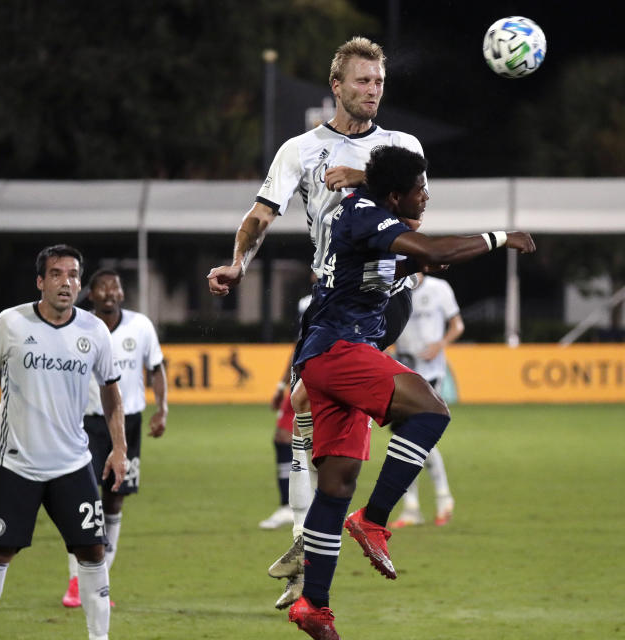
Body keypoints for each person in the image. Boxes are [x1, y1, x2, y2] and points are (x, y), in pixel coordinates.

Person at [206, 36, 425, 610]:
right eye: (361, 81)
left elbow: (416, 210)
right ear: (337, 86)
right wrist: (238, 264)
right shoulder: (299, 151)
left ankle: (314, 539)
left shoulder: (401, 144)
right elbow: (259, 217)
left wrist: (360, 178)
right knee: (317, 424)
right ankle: (318, 539)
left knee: (309, 400)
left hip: (383, 297)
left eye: (378, 82)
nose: (372, 91)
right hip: (332, 301)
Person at [285, 145, 535, 639]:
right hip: (341, 349)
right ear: (396, 195)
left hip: (328, 355)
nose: (427, 196)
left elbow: (365, 271)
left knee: (336, 485)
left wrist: (405, 268)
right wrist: (501, 236)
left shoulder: (364, 213)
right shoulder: (367, 214)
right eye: (420, 189)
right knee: (431, 410)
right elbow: (436, 250)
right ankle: (374, 520)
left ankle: (313, 604)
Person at [0, 245, 125, 640]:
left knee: (92, 553)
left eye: (73, 275)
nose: (66, 282)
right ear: (40, 282)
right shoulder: (10, 324)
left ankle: (99, 637)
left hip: (72, 463)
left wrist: (119, 448)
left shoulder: (94, 331)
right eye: (56, 274)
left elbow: (111, 392)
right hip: (16, 463)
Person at [61, 269, 168, 608]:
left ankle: (100, 581)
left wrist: (162, 408)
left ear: (122, 293)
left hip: (129, 424)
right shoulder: (77, 327)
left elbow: (157, 368)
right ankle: (77, 581)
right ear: (90, 295)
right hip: (85, 423)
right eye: (102, 287)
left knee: (114, 500)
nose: (109, 292)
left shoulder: (141, 326)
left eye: (115, 287)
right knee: (83, 499)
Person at [388, 274, 464, 528]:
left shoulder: (439, 288)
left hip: (431, 373)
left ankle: (432, 501)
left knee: (415, 439)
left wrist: (439, 345)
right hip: (404, 372)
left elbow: (457, 325)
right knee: (405, 440)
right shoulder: (395, 287)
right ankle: (422, 505)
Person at [260, 290, 315, 531]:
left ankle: (299, 507)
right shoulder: (307, 301)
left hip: (320, 373)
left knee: (309, 443)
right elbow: (298, 346)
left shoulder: (341, 292)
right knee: (285, 438)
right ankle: (294, 506)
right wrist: (282, 385)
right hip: (301, 376)